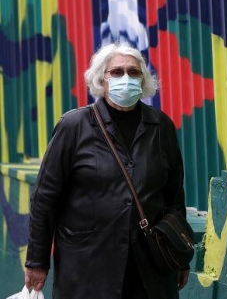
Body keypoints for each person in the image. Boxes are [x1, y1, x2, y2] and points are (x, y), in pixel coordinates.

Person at [24, 41, 190, 298]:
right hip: (87, 268)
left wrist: (179, 257)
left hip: (150, 269)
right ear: (101, 80)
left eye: (134, 72)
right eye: (117, 72)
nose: (127, 77)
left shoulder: (160, 126)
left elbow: (174, 197)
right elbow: (45, 198)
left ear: (144, 80)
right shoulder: (74, 126)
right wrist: (37, 261)